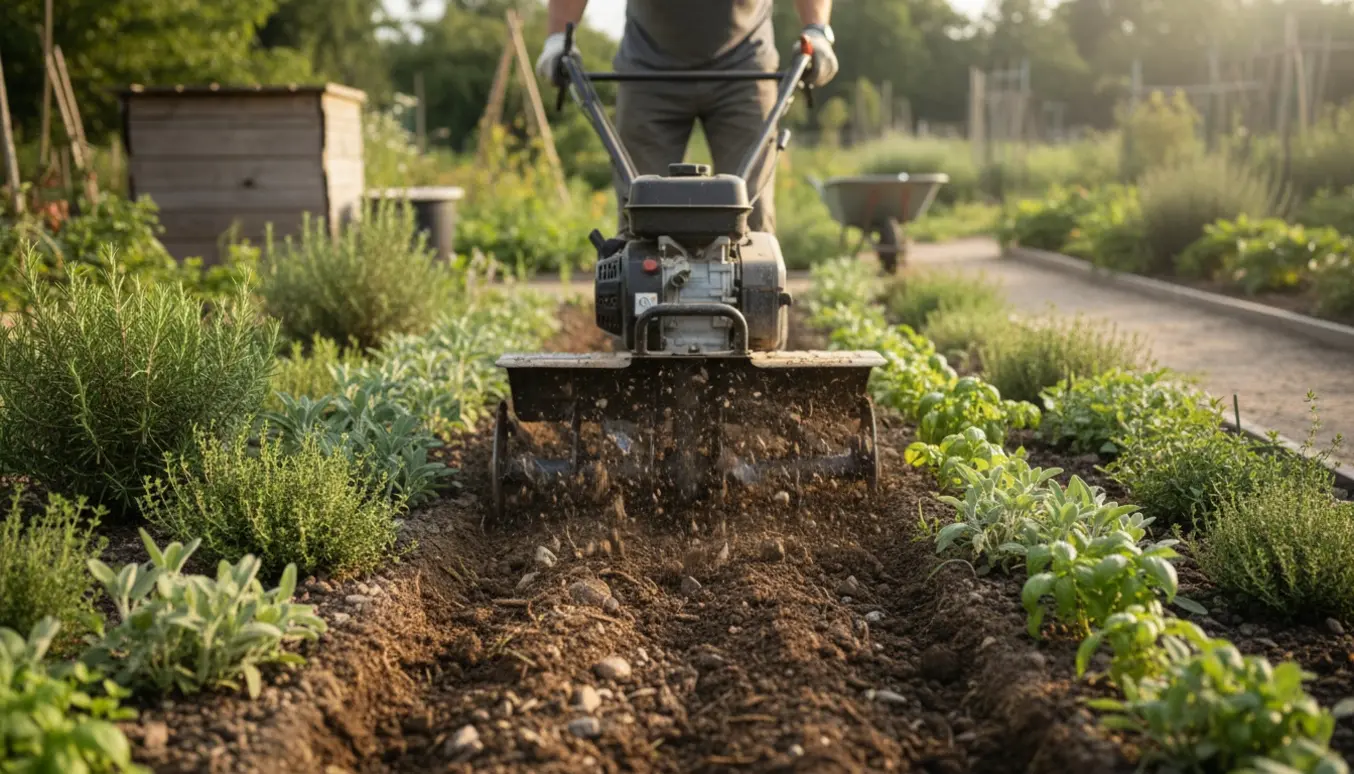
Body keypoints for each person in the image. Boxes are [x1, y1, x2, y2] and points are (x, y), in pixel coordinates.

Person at [536, 1, 839, 236]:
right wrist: (558, 38)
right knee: (640, 211)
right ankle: (641, 310)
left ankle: (757, 311)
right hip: (648, 71)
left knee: (749, 210)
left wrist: (817, 30)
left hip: (745, 68)